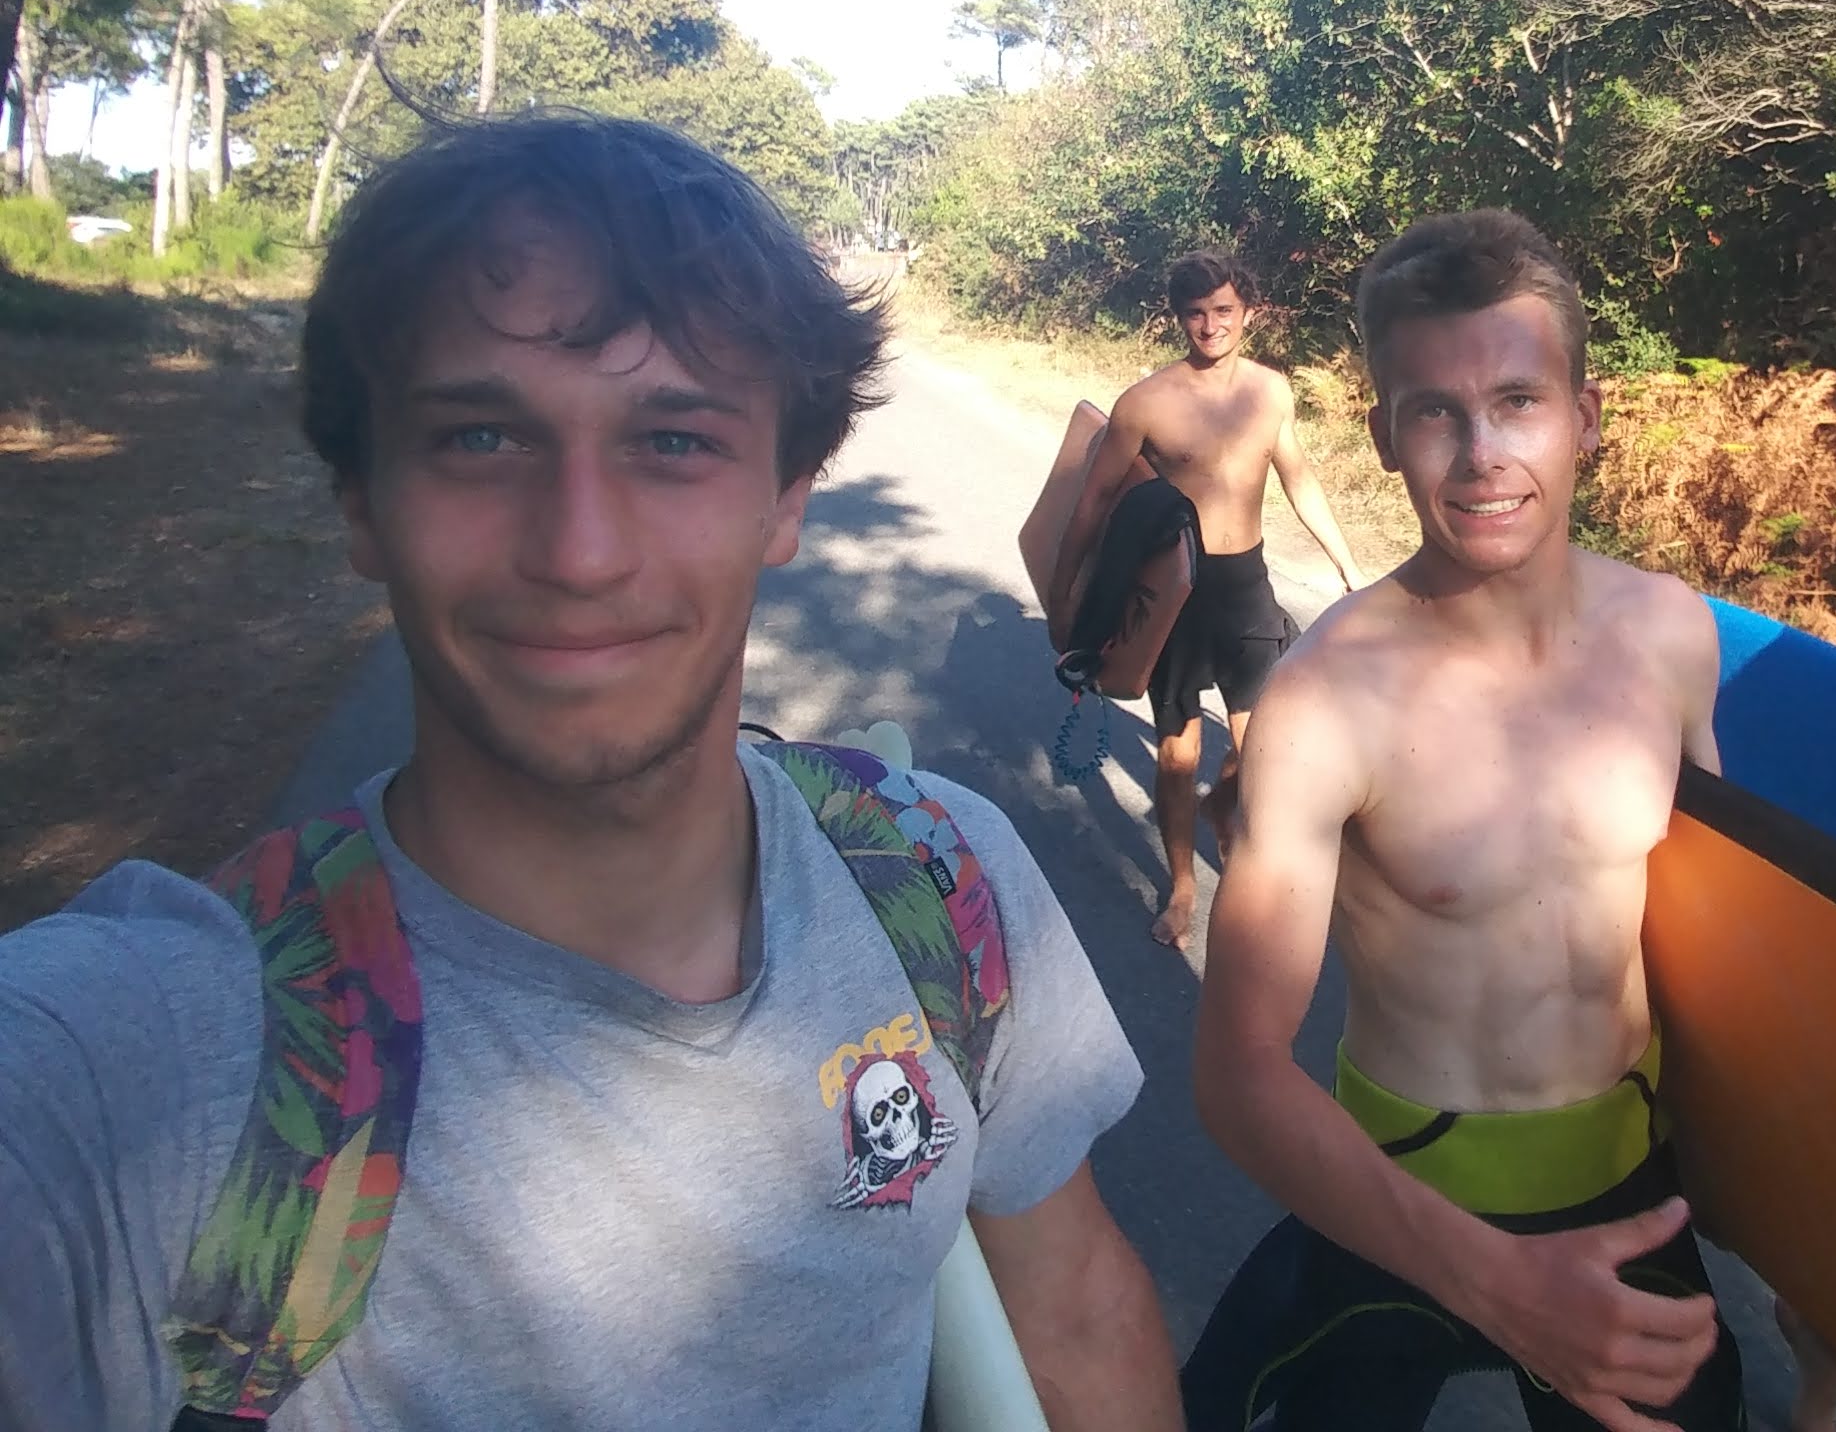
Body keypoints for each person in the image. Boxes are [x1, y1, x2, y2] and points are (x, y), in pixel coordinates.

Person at [0, 114, 1182, 1432]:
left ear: (788, 498)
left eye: (672, 440)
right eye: (479, 441)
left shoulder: (940, 881)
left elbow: (1075, 1313)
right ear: (360, 503)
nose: (578, 551)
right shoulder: (155, 1054)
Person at [1184, 210, 1745, 1432]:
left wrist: (1807, 1216)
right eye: (1435, 410)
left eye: (1518, 399)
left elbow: (1714, 943)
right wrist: (1503, 1289)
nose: (1482, 451)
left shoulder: (1670, 634)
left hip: (1629, 1183)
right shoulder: (1326, 703)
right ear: (1386, 436)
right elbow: (1235, 1075)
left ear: (1585, 417)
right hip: (1402, 1189)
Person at [1048, 249, 1365, 946]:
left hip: (1246, 587)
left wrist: (1344, 567)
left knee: (1259, 752)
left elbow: (1299, 477)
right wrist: (1061, 595)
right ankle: (1184, 888)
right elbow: (1094, 501)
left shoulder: (1271, 392)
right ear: (1177, 318)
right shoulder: (1146, 403)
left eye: (1223, 310)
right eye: (1195, 313)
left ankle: (1226, 810)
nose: (1210, 325)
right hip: (1176, 599)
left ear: (1247, 310)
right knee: (1175, 757)